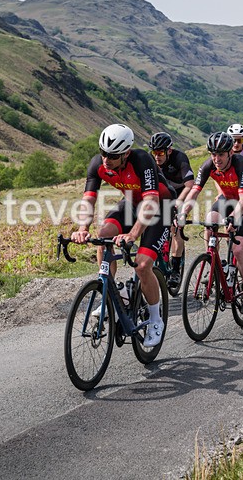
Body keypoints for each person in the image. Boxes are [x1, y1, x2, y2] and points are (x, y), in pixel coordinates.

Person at [71, 123, 176, 347]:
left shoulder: (141, 161)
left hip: (160, 209)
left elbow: (151, 203)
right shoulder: (99, 164)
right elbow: (89, 198)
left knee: (142, 264)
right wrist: (82, 228)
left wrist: (133, 234)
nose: (106, 159)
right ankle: (112, 292)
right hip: (131, 203)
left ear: (126, 154)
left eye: (113, 155)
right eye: (103, 153)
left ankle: (156, 319)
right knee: (104, 235)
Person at [179, 132, 243, 314]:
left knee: (239, 249)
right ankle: (216, 262)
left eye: (220, 155)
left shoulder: (240, 164)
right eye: (213, 154)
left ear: (229, 154)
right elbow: (194, 192)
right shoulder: (209, 165)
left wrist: (234, 217)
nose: (216, 159)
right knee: (210, 223)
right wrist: (182, 213)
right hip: (228, 198)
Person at [148, 131, 194, 289]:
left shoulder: (180, 158)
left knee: (176, 228)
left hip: (181, 194)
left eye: (160, 152)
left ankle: (175, 270)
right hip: (163, 195)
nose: (157, 156)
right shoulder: (151, 161)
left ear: (169, 150)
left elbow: (190, 185)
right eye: (154, 152)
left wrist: (179, 204)